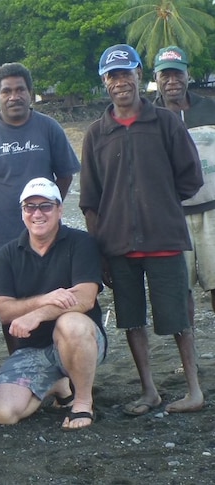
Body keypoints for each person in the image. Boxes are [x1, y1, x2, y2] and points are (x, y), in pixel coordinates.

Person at [80, 44, 204, 416]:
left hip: (163, 239)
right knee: (131, 320)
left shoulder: (165, 122)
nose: (120, 82)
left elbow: (190, 177)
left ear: (139, 75)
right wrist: (100, 247)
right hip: (118, 245)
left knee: (178, 316)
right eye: (112, 76)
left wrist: (161, 205)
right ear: (104, 82)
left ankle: (194, 390)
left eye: (126, 73)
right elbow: (90, 199)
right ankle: (149, 390)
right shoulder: (96, 134)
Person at [0, 178, 106, 431]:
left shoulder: (81, 243)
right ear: (22, 213)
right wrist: (45, 298)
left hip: (80, 341)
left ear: (60, 209)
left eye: (45, 206)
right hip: (33, 350)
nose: (37, 213)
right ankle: (58, 385)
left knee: (71, 322)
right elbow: (3, 310)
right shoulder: (8, 254)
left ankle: (82, 401)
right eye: (30, 207)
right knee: (3, 413)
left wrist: (37, 315)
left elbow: (85, 298)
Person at [0, 62, 80, 320]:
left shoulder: (49, 128)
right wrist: (4, 210)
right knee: (5, 307)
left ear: (31, 92)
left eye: (20, 90)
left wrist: (45, 209)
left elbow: (64, 174)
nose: (14, 96)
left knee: (52, 299)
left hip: (46, 233)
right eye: (6, 91)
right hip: (0, 233)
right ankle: (17, 360)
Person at [153, 46, 215, 321]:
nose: (172, 80)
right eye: (165, 75)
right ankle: (188, 359)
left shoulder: (209, 108)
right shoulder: (149, 116)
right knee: (182, 289)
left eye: (178, 73)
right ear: (156, 78)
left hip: (212, 210)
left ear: (188, 74)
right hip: (172, 217)